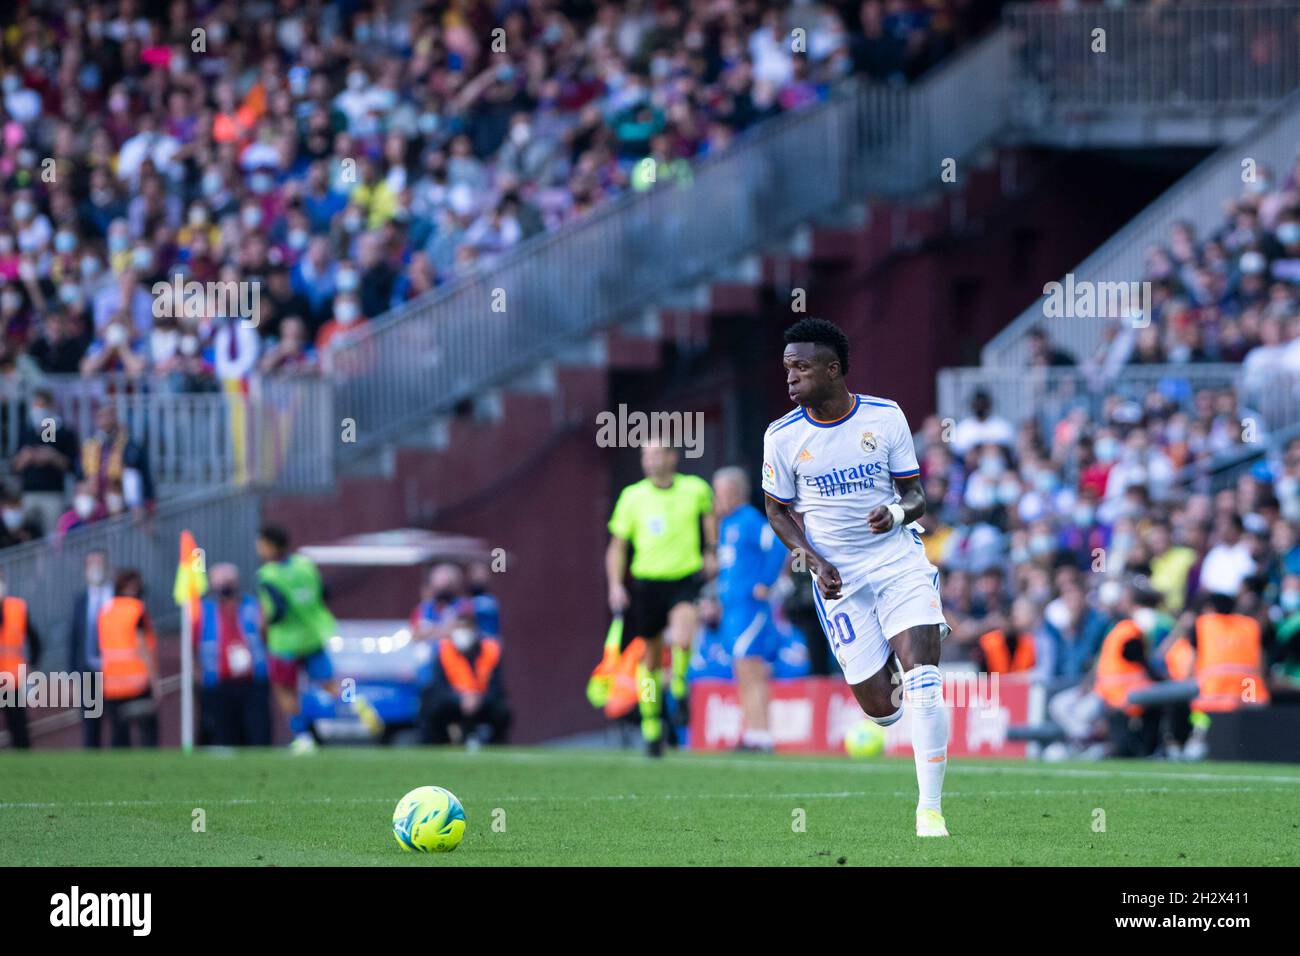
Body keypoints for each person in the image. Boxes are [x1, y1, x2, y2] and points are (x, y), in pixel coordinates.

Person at [762, 318, 951, 837]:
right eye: (787, 369)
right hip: (839, 580)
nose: (791, 379)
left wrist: (895, 514)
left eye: (801, 368)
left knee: (925, 683)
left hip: (896, 561)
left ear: (833, 369)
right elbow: (776, 510)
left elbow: (916, 496)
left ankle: (929, 811)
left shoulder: (885, 417)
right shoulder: (782, 436)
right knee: (883, 711)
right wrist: (812, 560)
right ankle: (896, 643)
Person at [606, 443, 717, 756]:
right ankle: (651, 723)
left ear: (672, 457)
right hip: (647, 582)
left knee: (683, 638)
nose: (650, 461)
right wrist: (616, 584)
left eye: (656, 454)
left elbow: (710, 516)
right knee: (651, 661)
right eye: (646, 456)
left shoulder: (695, 489)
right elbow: (617, 545)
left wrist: (711, 550)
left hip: (684, 578)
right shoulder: (632, 496)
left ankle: (680, 685)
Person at [256, 525, 380, 752]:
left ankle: (303, 738)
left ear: (270, 545)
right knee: (330, 684)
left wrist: (262, 627)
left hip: (285, 642)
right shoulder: (305, 564)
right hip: (313, 635)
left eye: (261, 543)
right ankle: (356, 702)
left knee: (285, 690)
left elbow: (277, 610)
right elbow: (325, 592)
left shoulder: (268, 575)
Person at [712, 466, 787, 752]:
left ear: (731, 491)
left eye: (718, 492)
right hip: (733, 609)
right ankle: (753, 732)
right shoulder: (727, 524)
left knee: (752, 668)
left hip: (750, 608)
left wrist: (765, 582)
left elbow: (778, 546)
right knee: (741, 670)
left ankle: (763, 734)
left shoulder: (749, 520)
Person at [194, 563, 272, 747]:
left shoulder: (253, 606)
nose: (225, 587)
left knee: (257, 730)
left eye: (229, 582)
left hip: (253, 679)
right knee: (224, 732)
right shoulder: (204, 611)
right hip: (218, 680)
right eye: (221, 583)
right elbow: (194, 644)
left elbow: (266, 635)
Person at [420, 600, 511, 747]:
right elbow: (439, 687)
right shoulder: (445, 651)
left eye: (467, 627)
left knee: (502, 711)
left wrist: (478, 699)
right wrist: (459, 699)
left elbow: (496, 687)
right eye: (459, 626)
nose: (463, 632)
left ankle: (496, 745)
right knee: (431, 707)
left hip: (482, 702)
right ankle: (438, 744)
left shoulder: (490, 650)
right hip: (453, 703)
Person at [97, 569, 160, 748]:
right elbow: (142, 647)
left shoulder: (105, 611)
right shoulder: (136, 609)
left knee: (119, 736)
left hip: (112, 684)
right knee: (148, 733)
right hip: (137, 681)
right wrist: (155, 681)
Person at [12, 388, 78, 535]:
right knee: (26, 535)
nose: (38, 410)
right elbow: (15, 465)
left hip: (53, 494)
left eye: (41, 405)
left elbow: (72, 466)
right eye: (36, 405)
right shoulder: (27, 429)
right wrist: (25, 458)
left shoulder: (62, 430)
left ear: (51, 405)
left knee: (52, 536)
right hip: (29, 493)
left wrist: (53, 456)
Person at [67, 550, 113, 748]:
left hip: (114, 671)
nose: (95, 568)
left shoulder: (115, 597)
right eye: (91, 564)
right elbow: (74, 639)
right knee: (90, 724)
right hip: (88, 671)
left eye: (99, 563)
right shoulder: (80, 600)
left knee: (118, 723)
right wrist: (72, 674)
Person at [0, 570, 40, 749]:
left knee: (18, 727)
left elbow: (34, 640)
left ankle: (24, 764)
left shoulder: (16, 608)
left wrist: (32, 663)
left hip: (12, 679)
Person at [974, 597, 1039, 674]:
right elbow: (982, 673)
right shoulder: (987, 642)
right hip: (994, 684)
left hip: (1022, 684)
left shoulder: (1030, 642)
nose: (1007, 622)